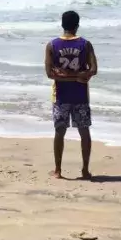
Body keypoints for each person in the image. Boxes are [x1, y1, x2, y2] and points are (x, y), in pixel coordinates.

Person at [45, 10, 97, 180]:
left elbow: (49, 74)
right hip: (80, 95)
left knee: (59, 132)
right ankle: (85, 170)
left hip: (60, 96)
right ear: (77, 25)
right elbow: (93, 70)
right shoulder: (86, 44)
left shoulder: (52, 46)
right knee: (84, 132)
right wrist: (79, 76)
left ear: (62, 25)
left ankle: (58, 170)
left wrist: (65, 76)